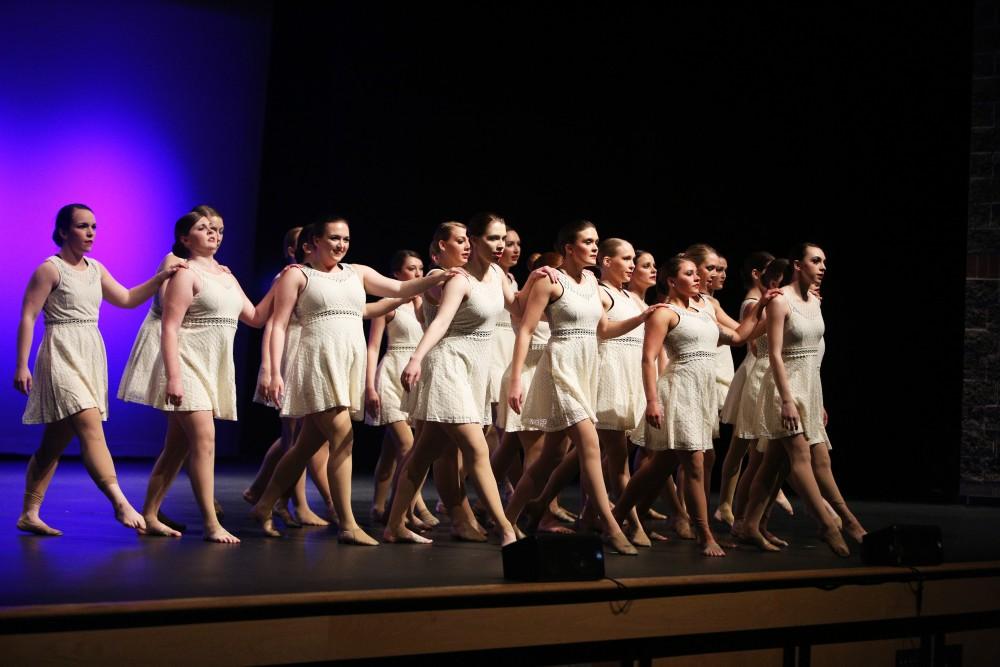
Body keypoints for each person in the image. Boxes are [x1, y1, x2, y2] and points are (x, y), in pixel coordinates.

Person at [252, 217, 453, 543]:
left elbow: (399, 288)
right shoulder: (297, 275)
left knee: (304, 447)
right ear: (313, 242)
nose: (341, 244)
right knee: (343, 436)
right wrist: (272, 371)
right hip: (315, 364)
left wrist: (439, 277)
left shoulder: (356, 273)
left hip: (345, 365)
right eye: (333, 238)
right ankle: (347, 525)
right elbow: (276, 325)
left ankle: (263, 504)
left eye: (345, 238)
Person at [14, 203, 184, 535]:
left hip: (89, 352)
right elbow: (27, 316)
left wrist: (161, 278)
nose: (90, 232)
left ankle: (28, 513)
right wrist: (22, 364)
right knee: (90, 423)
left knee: (55, 441)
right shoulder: (50, 269)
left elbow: (127, 298)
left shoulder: (96, 269)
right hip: (60, 352)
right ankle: (120, 503)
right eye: (82, 226)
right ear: (63, 231)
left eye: (93, 226)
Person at [505, 220, 664, 555]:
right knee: (591, 445)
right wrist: (517, 379)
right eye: (588, 242)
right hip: (560, 367)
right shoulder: (551, 281)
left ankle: (508, 519)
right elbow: (525, 328)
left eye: (596, 241)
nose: (595, 247)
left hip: (586, 367)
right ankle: (609, 525)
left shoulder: (592, 281)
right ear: (568, 247)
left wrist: (641, 317)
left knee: (550, 457)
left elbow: (603, 329)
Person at [612, 254, 773, 556]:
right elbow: (648, 359)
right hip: (679, 390)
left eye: (696, 273)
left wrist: (763, 308)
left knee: (658, 465)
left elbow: (738, 336)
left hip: (702, 393)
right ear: (672, 280)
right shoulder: (665, 313)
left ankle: (616, 516)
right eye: (689, 274)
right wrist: (652, 401)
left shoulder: (706, 307)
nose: (698, 278)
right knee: (696, 463)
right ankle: (704, 533)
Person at [738, 243, 851, 557]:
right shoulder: (778, 301)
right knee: (798, 459)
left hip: (808, 387)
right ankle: (829, 522)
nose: (823, 266)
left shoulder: (815, 301)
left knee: (773, 464)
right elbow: (769, 351)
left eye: (825, 261)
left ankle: (749, 524)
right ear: (798, 265)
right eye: (816, 260)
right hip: (782, 389)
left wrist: (818, 400)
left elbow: (815, 354)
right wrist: (787, 400)